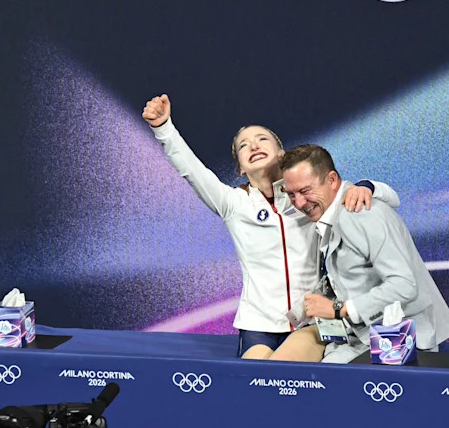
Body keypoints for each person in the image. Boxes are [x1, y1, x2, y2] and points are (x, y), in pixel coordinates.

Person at [142, 93, 399, 358]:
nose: (253, 146)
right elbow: (191, 169)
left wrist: (368, 186)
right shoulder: (233, 203)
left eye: (262, 139)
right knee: (254, 382)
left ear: (281, 154)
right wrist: (163, 128)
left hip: (312, 320)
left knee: (278, 371)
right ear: (240, 168)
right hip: (258, 325)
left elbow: (392, 197)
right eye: (243, 146)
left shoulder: (307, 196)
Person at [270, 144, 449, 362]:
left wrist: (339, 308)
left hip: (396, 341)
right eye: (292, 194)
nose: (299, 203)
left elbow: (404, 284)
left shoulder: (357, 214)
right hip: (361, 335)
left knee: (322, 384)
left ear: (331, 180)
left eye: (305, 191)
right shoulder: (334, 209)